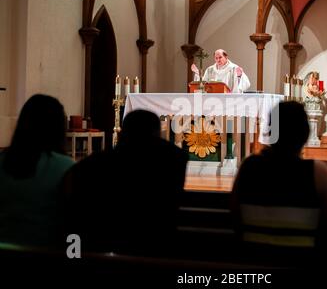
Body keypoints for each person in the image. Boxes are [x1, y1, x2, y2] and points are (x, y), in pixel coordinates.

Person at [63, 110, 188, 256]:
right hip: (157, 242)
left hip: (104, 239)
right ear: (158, 134)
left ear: (123, 133)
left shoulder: (93, 164)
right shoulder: (174, 160)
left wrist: (74, 254)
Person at [231, 101, 327, 267]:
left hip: (253, 262)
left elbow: (235, 217)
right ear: (305, 134)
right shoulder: (317, 172)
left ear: (270, 131)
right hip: (301, 264)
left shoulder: (249, 166)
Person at [0, 94, 74, 247]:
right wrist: (75, 257)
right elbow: (75, 224)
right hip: (45, 256)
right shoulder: (65, 167)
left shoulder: (2, 161)